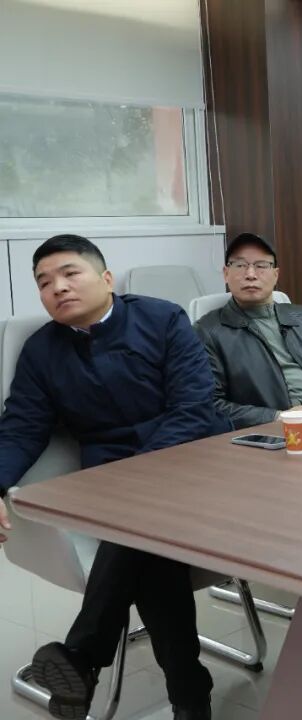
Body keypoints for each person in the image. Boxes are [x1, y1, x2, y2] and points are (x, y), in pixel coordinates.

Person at [0, 235, 230, 720]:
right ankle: (189, 694)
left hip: (189, 462)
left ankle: (84, 656)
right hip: (111, 485)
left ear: (106, 279)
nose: (58, 287)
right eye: (44, 282)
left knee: (140, 525)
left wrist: (139, 476)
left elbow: (193, 407)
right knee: (151, 546)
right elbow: (21, 427)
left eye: (70, 273)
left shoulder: (162, 319)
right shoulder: (42, 351)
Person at [194, 233, 302, 429]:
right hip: (280, 430)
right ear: (225, 274)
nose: (250, 274)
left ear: (276, 275)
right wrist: (277, 417)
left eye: (261, 266)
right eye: (240, 265)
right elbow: (210, 403)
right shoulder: (208, 332)